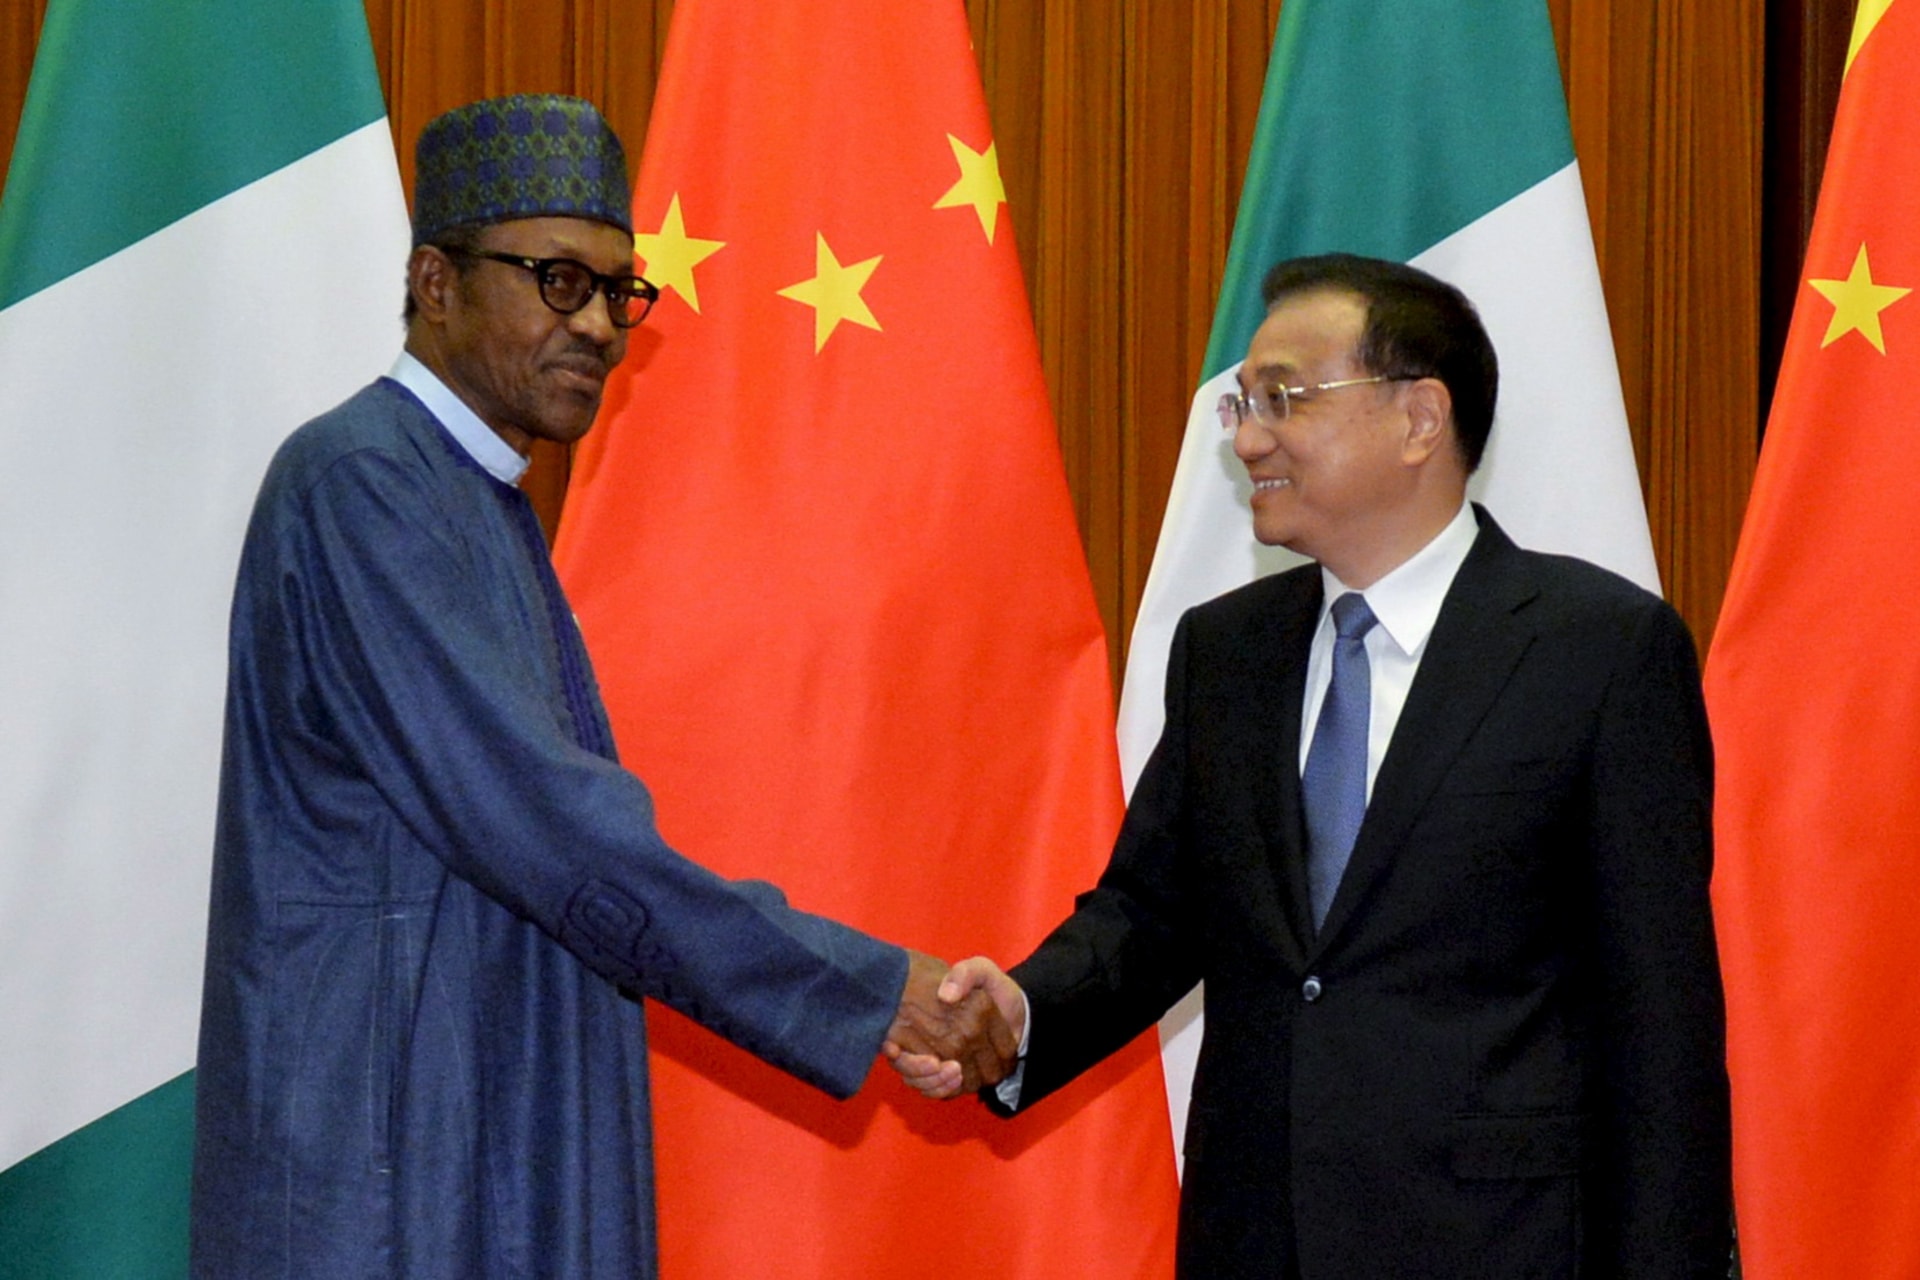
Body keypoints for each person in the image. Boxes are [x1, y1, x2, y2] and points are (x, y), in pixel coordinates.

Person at [189, 94, 1011, 1279]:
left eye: (618, 292)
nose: (601, 329)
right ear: (435, 281)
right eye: (558, 281)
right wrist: (866, 990)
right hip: (388, 1166)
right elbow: (549, 825)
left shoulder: (478, 496)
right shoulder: (362, 485)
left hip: (492, 1134)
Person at [894, 254, 1731, 1278]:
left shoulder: (1599, 650)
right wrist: (1019, 1012)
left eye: (1283, 398)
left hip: (1499, 1244)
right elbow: (1151, 914)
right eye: (1242, 404)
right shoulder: (1227, 651)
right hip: (1256, 1239)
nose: (1248, 438)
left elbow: (1661, 1022)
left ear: (1420, 418)